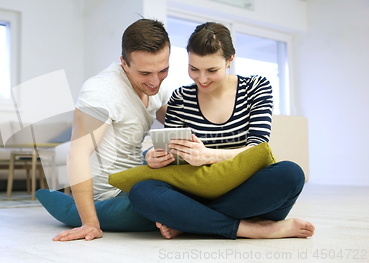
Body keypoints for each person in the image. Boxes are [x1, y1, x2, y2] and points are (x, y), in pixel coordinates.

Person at [128, 22, 315, 240]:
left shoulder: (256, 87)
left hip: (245, 191)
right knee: (142, 192)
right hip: (197, 192)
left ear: (230, 60)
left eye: (212, 70)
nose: (202, 79)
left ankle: (191, 222)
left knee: (291, 174)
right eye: (194, 69)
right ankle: (251, 228)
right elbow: (174, 155)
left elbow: (258, 149)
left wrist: (208, 155)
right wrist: (157, 157)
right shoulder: (180, 98)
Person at [36, 18, 173, 241]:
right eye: (145, 73)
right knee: (170, 203)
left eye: (163, 70)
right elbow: (77, 155)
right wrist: (90, 223)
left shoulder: (159, 85)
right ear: (124, 63)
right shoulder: (101, 90)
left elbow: (181, 126)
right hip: (110, 194)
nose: (155, 82)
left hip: (136, 175)